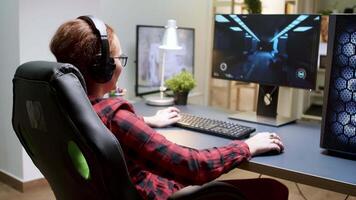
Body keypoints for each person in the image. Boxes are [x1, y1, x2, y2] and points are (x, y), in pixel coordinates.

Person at [50, 16, 288, 200]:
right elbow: (193, 166)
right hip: (154, 194)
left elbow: (109, 131)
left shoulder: (66, 107)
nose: (120, 66)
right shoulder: (117, 118)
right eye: (119, 58)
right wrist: (248, 145)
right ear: (101, 68)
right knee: (272, 189)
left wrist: (148, 121)